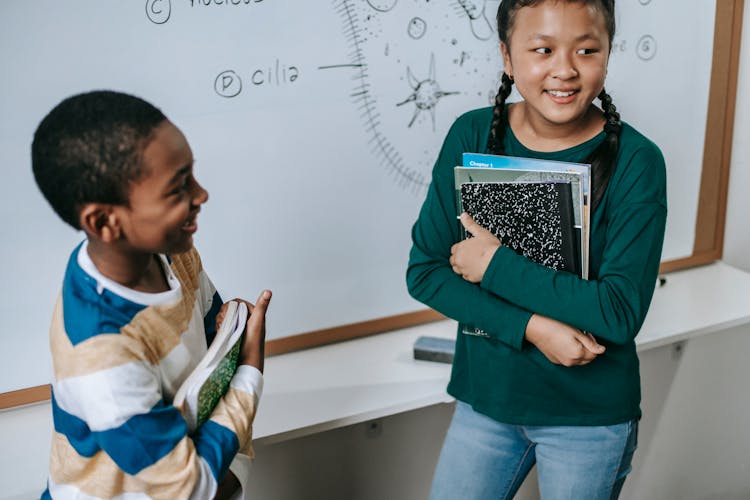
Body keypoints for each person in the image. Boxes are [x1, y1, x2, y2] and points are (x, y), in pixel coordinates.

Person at [406, 0, 666, 498]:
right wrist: (533, 328)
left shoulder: (638, 161)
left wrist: (495, 265)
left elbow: (617, 312)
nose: (564, 69)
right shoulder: (472, 133)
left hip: (587, 418)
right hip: (486, 400)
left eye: (586, 50)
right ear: (507, 56)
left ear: (608, 53)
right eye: (542, 49)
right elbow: (426, 272)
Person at [32, 90, 271, 500]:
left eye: (192, 175)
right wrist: (250, 370)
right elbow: (191, 490)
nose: (201, 195)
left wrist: (231, 329)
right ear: (105, 221)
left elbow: (208, 333)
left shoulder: (168, 252)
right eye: (178, 189)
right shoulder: (100, 355)